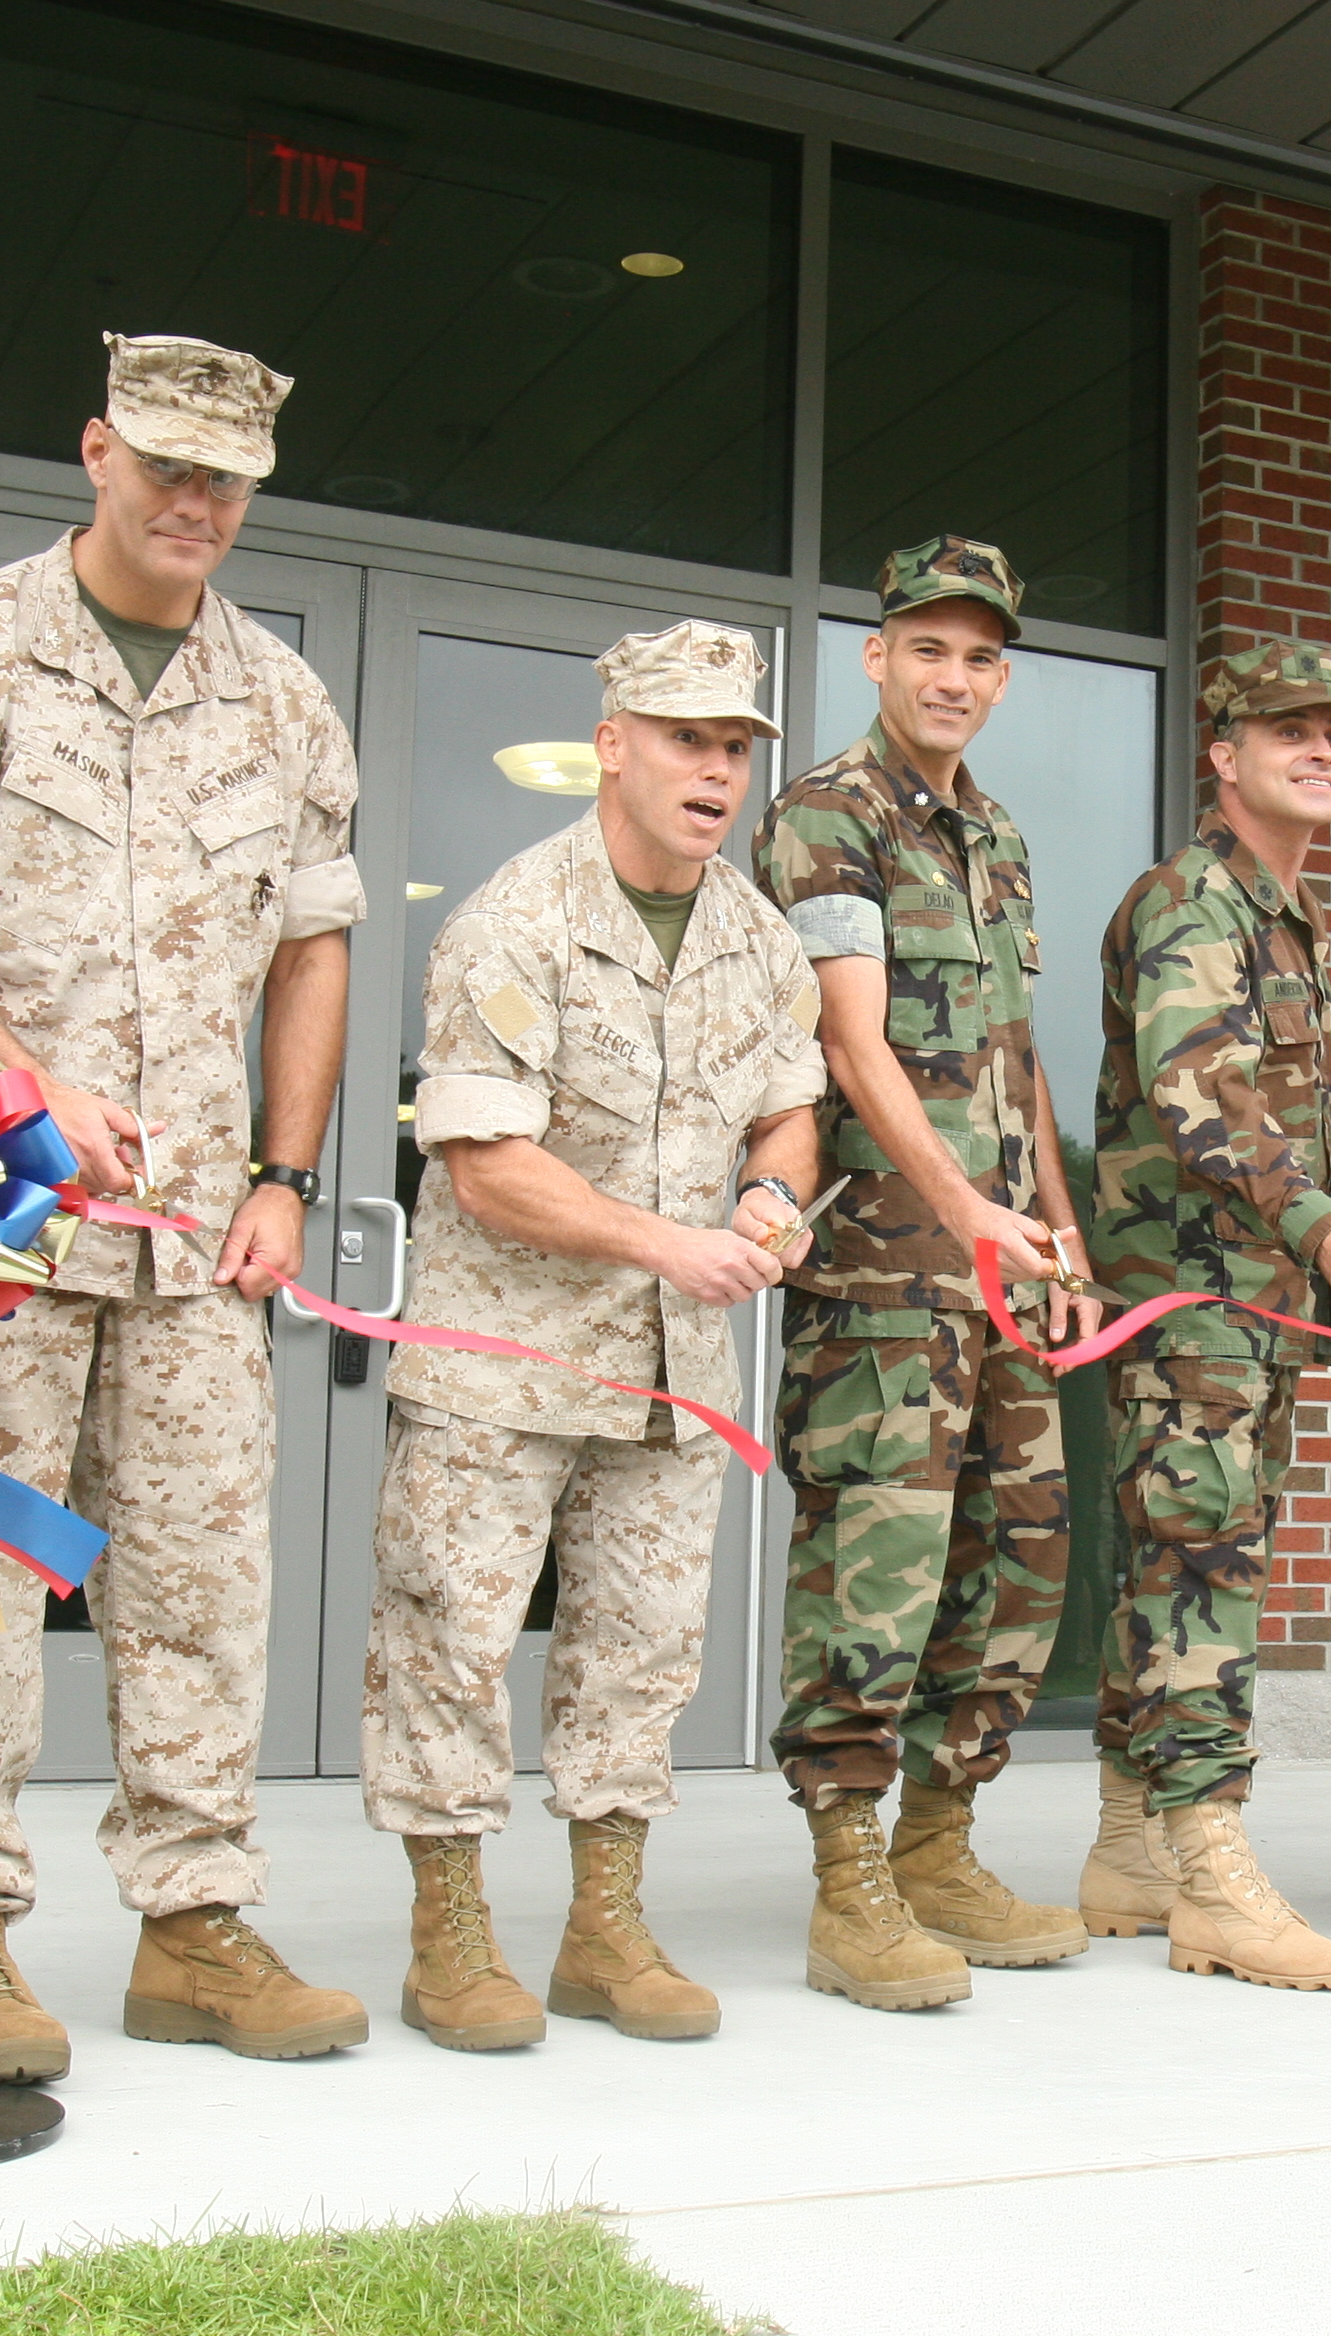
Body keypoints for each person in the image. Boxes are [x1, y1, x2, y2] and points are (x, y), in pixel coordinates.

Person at [0, 332, 368, 2081]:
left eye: (229, 482)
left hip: (195, 1237)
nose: (198, 505)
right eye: (169, 470)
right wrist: (22, 1078)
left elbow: (313, 946)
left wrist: (285, 1176)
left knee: (202, 1579)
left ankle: (192, 1926)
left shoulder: (282, 700)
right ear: (97, 454)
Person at [360, 621, 827, 2050]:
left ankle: (604, 1929)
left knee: (642, 1653)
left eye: (737, 745)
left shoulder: (754, 934)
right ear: (613, 742)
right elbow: (483, 1163)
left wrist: (767, 1194)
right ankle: (449, 1938)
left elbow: (790, 1104)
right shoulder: (514, 918)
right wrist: (664, 1239)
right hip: (504, 1362)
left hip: (673, 1375)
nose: (717, 770)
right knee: (450, 1640)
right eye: (688, 738)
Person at [753, 536, 1104, 2010]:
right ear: (877, 656)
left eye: (979, 657)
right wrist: (964, 1205)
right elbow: (851, 1042)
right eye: (928, 650)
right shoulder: (829, 816)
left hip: (1007, 1268)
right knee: (875, 1576)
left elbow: (1017, 1059)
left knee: (1018, 1560)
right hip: (890, 1273)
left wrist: (1062, 1234)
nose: (953, 678)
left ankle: (942, 1845)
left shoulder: (1001, 837)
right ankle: (848, 1886)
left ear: (1002, 675)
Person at [1076, 639, 1331, 1991]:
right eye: (1288, 729)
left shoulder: (1283, 911)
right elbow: (1203, 1089)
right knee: (1203, 1566)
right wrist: (1329, 1225)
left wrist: (1321, 1251)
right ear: (1223, 754)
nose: (1321, 747)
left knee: (1175, 1558)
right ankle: (1211, 1869)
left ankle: (1127, 1848)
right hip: (1194, 1300)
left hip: (1253, 1304)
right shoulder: (1191, 902)